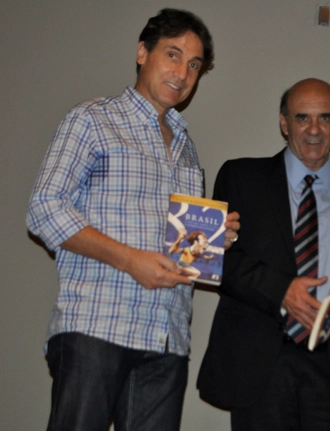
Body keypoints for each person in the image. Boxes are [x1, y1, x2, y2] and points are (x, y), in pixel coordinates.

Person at [26, 8, 239, 431]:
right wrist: (129, 260)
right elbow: (44, 208)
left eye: (194, 64)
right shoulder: (93, 120)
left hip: (167, 338)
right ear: (142, 52)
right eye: (173, 55)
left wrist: (213, 241)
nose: (183, 72)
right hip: (97, 327)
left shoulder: (186, 147)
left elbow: (179, 246)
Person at [198, 78, 330, 430]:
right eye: (302, 118)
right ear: (284, 122)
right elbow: (219, 260)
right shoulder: (240, 177)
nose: (314, 129)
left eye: (325, 118)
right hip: (261, 364)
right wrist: (282, 290)